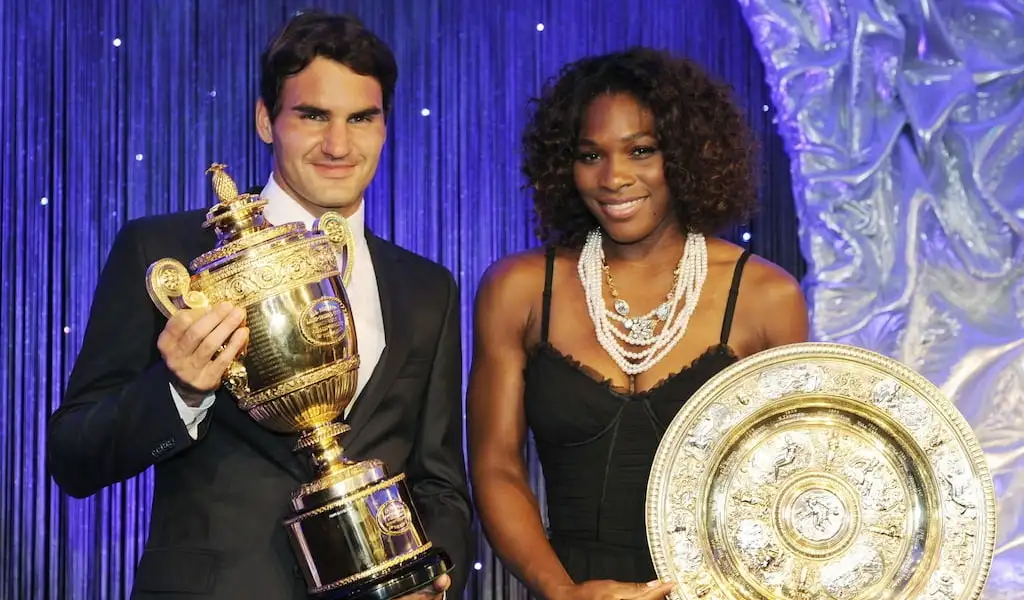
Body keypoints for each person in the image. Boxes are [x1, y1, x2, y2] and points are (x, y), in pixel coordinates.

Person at [47, 11, 472, 600]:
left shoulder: (428, 288)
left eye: (362, 119)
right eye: (313, 115)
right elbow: (73, 458)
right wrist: (179, 393)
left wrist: (433, 570)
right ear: (266, 121)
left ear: (384, 127)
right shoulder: (167, 253)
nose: (339, 145)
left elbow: (440, 482)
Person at [467, 48, 809, 600]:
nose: (614, 177)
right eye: (589, 155)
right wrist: (560, 591)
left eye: (641, 151)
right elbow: (495, 465)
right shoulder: (520, 288)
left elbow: (789, 486)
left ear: (691, 155)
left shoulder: (767, 297)